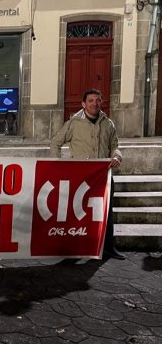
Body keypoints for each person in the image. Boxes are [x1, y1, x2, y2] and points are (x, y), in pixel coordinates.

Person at [50, 88, 125, 260]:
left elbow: (115, 146)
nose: (95, 103)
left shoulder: (108, 124)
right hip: (81, 176)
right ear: (83, 104)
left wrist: (117, 156)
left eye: (98, 100)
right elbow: (55, 143)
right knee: (77, 211)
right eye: (91, 100)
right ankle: (74, 249)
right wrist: (58, 164)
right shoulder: (73, 123)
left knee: (106, 212)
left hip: (103, 175)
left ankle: (108, 247)